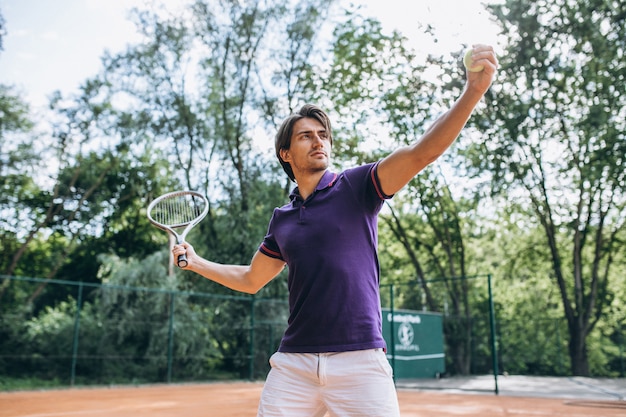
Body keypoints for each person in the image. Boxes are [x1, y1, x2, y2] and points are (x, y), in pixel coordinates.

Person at [173, 44, 498, 417]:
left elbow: (421, 152)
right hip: (294, 365)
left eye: (323, 134)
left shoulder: (357, 187)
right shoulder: (283, 218)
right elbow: (250, 279)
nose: (318, 141)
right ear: (286, 154)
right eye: (306, 136)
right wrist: (195, 262)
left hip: (360, 362)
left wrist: (473, 91)